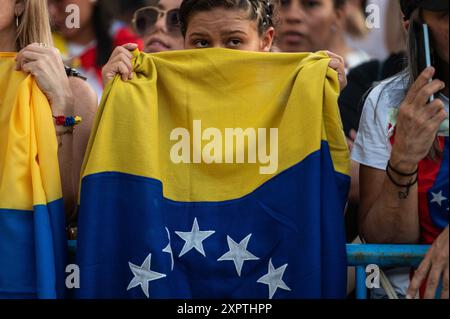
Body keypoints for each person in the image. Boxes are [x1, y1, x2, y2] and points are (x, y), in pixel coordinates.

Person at [352, 0, 449, 299]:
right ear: (414, 28)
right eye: (447, 16)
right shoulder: (387, 101)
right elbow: (384, 241)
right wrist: (404, 160)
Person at [102, 0, 347, 91]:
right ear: (186, 42)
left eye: (234, 41)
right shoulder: (138, 92)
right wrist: (117, 100)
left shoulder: (297, 94)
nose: (216, 53)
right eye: (201, 42)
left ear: (266, 41)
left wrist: (322, 102)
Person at [48, 0, 143, 99]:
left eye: (59, 1)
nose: (51, 12)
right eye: (46, 4)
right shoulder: (44, 49)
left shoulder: (129, 46)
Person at [102, 0, 184, 84]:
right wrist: (113, 90)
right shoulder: (123, 79)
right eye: (154, 15)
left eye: (176, 19)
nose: (158, 24)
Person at [276, 0, 370, 70]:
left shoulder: (371, 79)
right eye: (282, 2)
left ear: (338, 14)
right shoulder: (262, 76)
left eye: (311, 4)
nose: (293, 16)